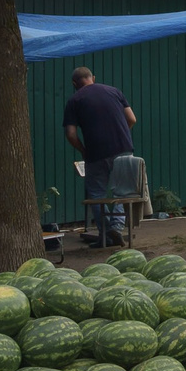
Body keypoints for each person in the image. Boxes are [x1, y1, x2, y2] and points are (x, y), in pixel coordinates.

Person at [63, 66, 138, 247]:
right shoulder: (114, 91)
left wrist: (83, 150)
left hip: (96, 154)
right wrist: (121, 135)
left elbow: (71, 134)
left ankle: (106, 236)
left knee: (96, 194)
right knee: (124, 190)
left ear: (75, 83)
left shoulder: (74, 101)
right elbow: (132, 119)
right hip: (123, 149)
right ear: (93, 78)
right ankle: (117, 228)